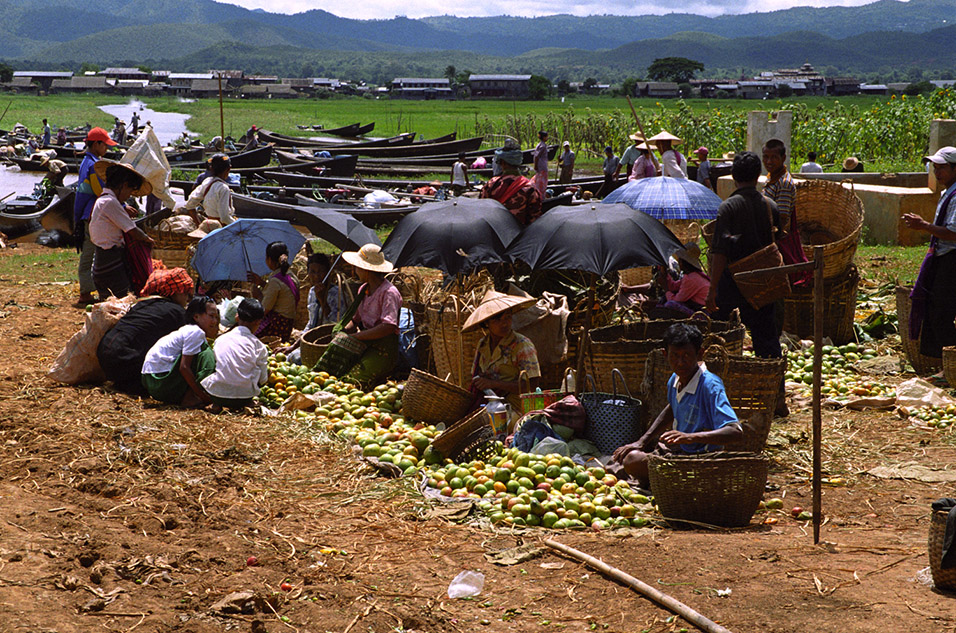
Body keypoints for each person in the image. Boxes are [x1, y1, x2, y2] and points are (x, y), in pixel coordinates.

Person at [607, 323, 741, 488]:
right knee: (618, 458)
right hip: (676, 451)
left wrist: (690, 437)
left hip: (699, 458)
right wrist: (641, 441)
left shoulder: (710, 386)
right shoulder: (675, 379)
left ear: (700, 353)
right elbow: (672, 407)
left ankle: (668, 482)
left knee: (632, 461)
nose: (680, 362)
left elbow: (735, 431)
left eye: (687, 355)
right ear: (665, 354)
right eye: (674, 356)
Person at [705, 151, 785, 402]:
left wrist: (712, 289)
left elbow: (720, 252)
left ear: (735, 176)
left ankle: (720, 395)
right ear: (758, 176)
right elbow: (777, 239)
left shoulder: (728, 207)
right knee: (767, 340)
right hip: (763, 283)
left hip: (732, 285)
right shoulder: (770, 206)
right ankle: (775, 397)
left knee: (721, 339)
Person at [313, 244, 402, 386]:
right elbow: (355, 319)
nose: (354, 271)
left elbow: (388, 326)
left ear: (367, 270)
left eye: (357, 267)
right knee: (334, 373)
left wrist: (356, 336)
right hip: (365, 344)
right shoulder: (364, 289)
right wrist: (343, 331)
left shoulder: (389, 292)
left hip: (383, 349)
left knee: (352, 382)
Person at [97, 268, 195, 394]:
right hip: (124, 358)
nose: (187, 299)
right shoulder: (176, 312)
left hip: (104, 354)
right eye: (186, 293)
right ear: (175, 292)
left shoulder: (142, 304)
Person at [903, 146, 956, 360]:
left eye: (942, 168)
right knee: (935, 311)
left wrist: (924, 226)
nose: (937, 172)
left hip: (952, 259)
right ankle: (944, 364)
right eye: (935, 168)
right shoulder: (947, 193)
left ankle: (951, 360)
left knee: (941, 314)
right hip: (943, 257)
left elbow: (953, 232)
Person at [463, 290, 540, 412]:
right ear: (486, 323)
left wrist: (494, 384)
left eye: (507, 318)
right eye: (497, 320)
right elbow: (477, 377)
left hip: (514, 408)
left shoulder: (522, 345)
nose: (504, 324)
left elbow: (532, 386)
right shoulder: (483, 344)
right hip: (488, 405)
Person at [88, 161, 153, 300]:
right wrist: (149, 240)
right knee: (123, 302)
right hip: (110, 261)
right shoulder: (109, 202)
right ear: (123, 186)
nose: (129, 195)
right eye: (130, 191)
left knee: (109, 303)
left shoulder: (104, 200)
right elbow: (133, 231)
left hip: (102, 259)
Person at [141, 296, 219, 408]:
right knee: (205, 353)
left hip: (151, 379)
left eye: (216, 317)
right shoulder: (195, 332)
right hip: (160, 380)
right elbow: (184, 367)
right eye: (211, 316)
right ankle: (190, 397)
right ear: (196, 316)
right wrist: (203, 396)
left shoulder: (187, 330)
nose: (215, 321)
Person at [73, 127, 116, 306]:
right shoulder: (93, 165)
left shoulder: (87, 162)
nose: (106, 149)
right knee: (96, 253)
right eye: (105, 145)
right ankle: (89, 291)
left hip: (86, 213)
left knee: (88, 253)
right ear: (97, 144)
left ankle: (87, 290)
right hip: (94, 214)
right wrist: (119, 205)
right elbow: (101, 192)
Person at [201, 298, 270, 411]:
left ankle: (216, 405)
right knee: (263, 371)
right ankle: (246, 403)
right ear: (258, 322)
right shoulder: (259, 345)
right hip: (244, 397)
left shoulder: (221, 339)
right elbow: (263, 380)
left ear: (236, 317)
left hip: (218, 395)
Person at [763, 138, 810, 291]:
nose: (769, 161)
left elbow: (781, 219)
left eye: (774, 157)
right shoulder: (772, 178)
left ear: (783, 158)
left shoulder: (783, 183)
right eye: (766, 157)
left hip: (777, 241)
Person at [480, 140, 542, 226]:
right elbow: (534, 219)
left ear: (503, 163)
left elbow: (481, 210)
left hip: (494, 233)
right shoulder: (530, 188)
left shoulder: (492, 184)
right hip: (518, 235)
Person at [248, 241, 299, 341]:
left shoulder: (275, 281)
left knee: (247, 332)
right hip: (287, 324)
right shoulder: (291, 276)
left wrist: (258, 296)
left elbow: (264, 310)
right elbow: (281, 293)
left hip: (278, 326)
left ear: (270, 260)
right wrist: (262, 283)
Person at [181, 154, 235, 225]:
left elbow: (189, 205)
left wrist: (199, 225)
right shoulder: (223, 188)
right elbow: (224, 217)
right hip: (222, 227)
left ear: (211, 168)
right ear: (228, 169)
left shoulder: (207, 182)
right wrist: (236, 224)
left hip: (209, 225)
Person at [532, 130, 549, 199]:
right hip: (542, 167)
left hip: (541, 167)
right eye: (546, 137)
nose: (547, 138)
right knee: (542, 183)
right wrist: (535, 165)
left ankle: (539, 196)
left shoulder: (540, 145)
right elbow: (536, 156)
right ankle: (541, 197)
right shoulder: (542, 146)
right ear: (543, 137)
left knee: (539, 182)